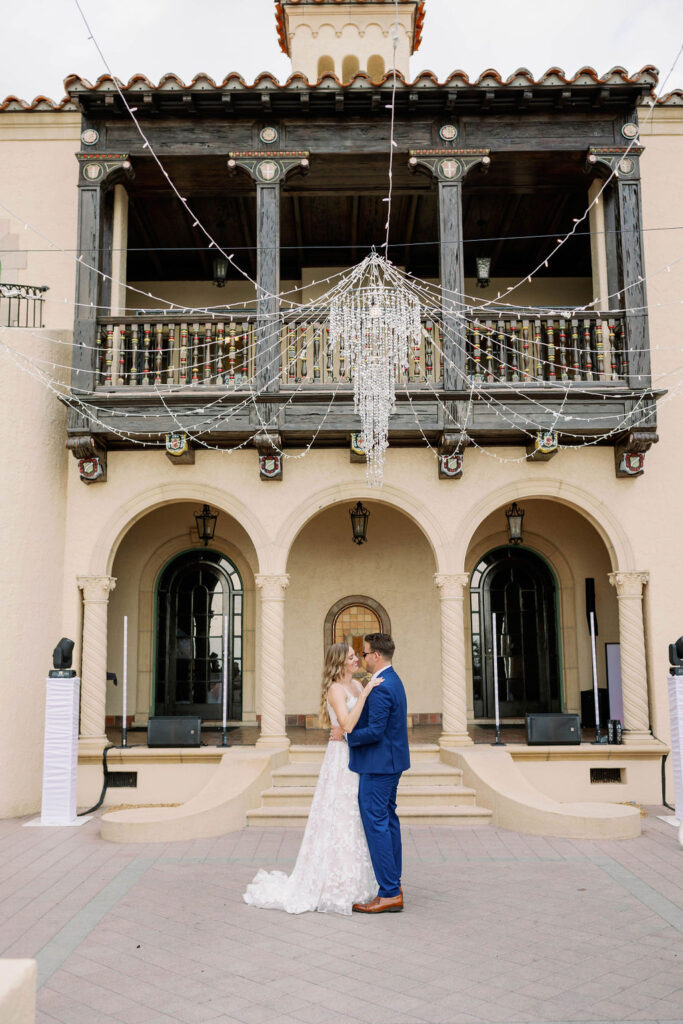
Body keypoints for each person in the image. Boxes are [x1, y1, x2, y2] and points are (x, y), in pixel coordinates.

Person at [242, 643, 382, 915]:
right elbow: (347, 723)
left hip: (358, 755)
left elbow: (356, 725)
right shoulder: (336, 690)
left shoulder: (355, 686)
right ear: (340, 663)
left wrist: (362, 698)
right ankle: (333, 885)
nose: (356, 660)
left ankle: (358, 880)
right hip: (341, 759)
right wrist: (364, 696)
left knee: (354, 817)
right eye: (351, 657)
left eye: (356, 656)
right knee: (339, 816)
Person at [332, 632, 410, 914]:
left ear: (376, 656)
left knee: (377, 824)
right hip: (391, 762)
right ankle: (394, 884)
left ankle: (389, 892)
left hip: (378, 766)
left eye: (364, 653)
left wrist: (346, 737)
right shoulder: (392, 680)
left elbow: (376, 731)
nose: (362, 657)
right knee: (388, 821)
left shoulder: (380, 687)